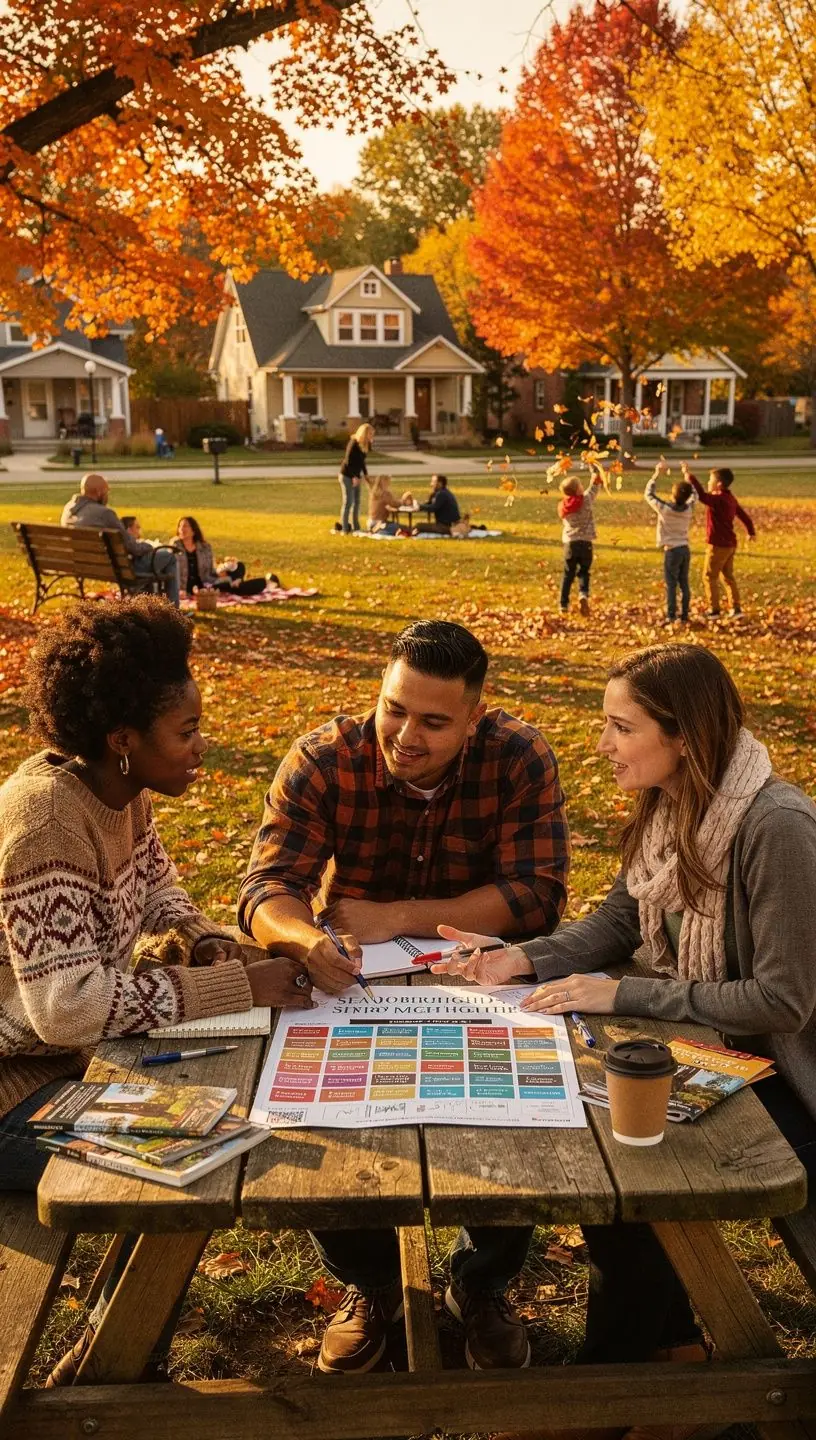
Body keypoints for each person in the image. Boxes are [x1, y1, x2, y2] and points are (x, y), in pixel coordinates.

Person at [431, 643, 816, 1436]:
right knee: (615, 1143)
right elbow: (618, 920)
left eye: (619, 727)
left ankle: (621, 1377)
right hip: (713, 1049)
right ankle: (654, 1357)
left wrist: (626, 991)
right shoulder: (672, 804)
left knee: (635, 1155)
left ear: (684, 737)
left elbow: (784, 999)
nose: (602, 745)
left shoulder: (774, 829)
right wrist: (520, 958)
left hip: (787, 1078)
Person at [238, 619, 570, 1377]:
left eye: (432, 720)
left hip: (478, 979)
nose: (405, 735)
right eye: (394, 708)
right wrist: (301, 939)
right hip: (349, 983)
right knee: (327, 1133)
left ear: (475, 716)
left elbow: (539, 895)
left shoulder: (519, 755)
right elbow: (267, 886)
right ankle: (372, 1284)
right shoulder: (324, 758)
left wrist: (399, 915)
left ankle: (480, 1284)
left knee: (512, 1122)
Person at [0, 596, 313, 1383]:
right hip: (12, 1083)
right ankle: (111, 1379)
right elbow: (66, 1008)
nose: (203, 747)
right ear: (123, 740)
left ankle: (112, 1356)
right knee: (193, 1155)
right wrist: (235, 986)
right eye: (187, 732)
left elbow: (160, 891)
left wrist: (210, 940)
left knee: (204, 1139)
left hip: (58, 1063)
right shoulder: (45, 823)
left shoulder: (119, 790)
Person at [61, 473, 180, 606]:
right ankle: (173, 609)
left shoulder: (69, 509)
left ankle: (145, 605)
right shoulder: (104, 513)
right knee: (169, 557)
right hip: (117, 568)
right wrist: (149, 545)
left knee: (152, 561)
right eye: (106, 491)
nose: (107, 495)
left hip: (82, 565)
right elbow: (133, 548)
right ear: (98, 492)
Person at [682, 463, 755, 618]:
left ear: (719, 484)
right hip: (730, 544)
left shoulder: (719, 499)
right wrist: (750, 531)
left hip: (718, 545)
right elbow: (743, 515)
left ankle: (714, 610)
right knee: (728, 576)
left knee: (709, 576)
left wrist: (690, 477)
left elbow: (702, 496)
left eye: (711, 480)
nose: (708, 483)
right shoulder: (730, 498)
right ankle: (736, 608)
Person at [643, 461, 696, 625]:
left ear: (673, 496)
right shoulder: (688, 509)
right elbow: (695, 495)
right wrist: (687, 474)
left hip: (671, 551)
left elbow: (649, 495)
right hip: (685, 549)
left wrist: (656, 474)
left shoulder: (665, 509)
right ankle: (685, 615)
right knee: (684, 583)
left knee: (671, 584)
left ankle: (671, 615)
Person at [558, 466, 604, 617]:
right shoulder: (585, 500)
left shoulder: (563, 506)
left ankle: (563, 604)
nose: (583, 487)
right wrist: (594, 470)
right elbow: (595, 486)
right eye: (580, 486)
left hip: (570, 543)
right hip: (586, 543)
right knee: (584, 572)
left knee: (568, 574)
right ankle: (583, 594)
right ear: (577, 490)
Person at [338, 423, 374, 534]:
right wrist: (354, 476)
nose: (372, 436)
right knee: (348, 502)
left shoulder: (365, 445)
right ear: (365, 433)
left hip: (356, 476)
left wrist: (366, 476)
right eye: (371, 434)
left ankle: (356, 527)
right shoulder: (353, 443)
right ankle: (344, 528)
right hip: (347, 475)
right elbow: (348, 461)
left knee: (357, 502)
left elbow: (361, 462)